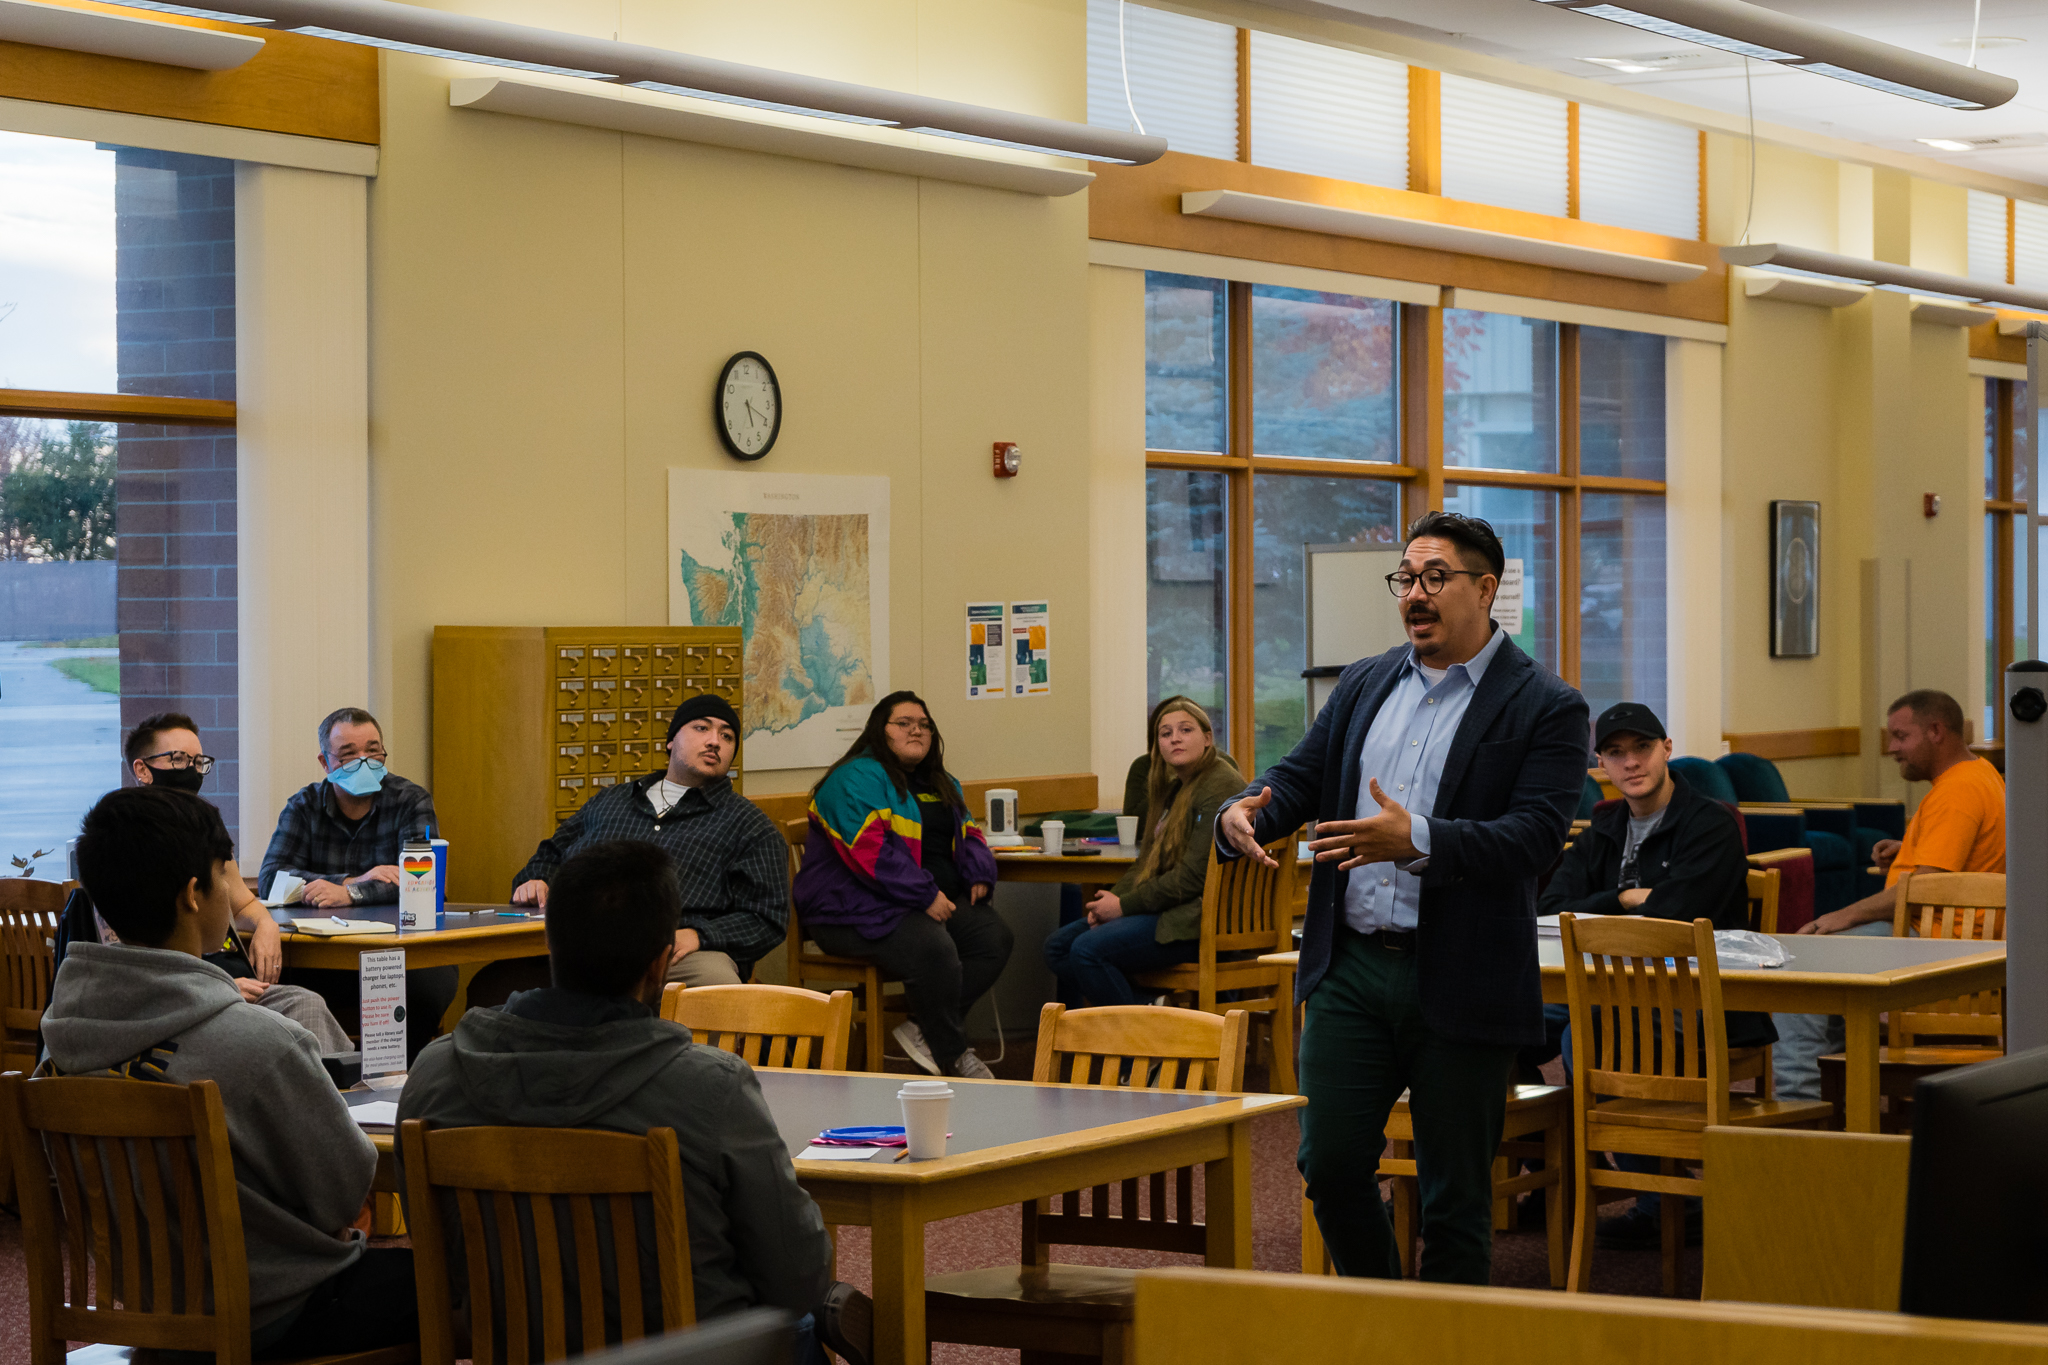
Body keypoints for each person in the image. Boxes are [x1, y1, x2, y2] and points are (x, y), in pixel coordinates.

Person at [1215, 510, 1588, 1285]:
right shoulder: (1366, 679)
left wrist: (1416, 837)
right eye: (1407, 579)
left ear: (1485, 588)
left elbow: (1533, 838)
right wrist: (1245, 807)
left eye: (1435, 578)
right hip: (1351, 968)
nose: (1415, 595)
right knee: (1330, 1164)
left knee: (1456, 1200)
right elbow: (1302, 774)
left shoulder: (1547, 704)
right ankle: (1385, 1313)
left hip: (1463, 973)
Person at [397, 840, 869, 1365]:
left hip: (512, 1346)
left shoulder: (435, 1074)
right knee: (817, 1320)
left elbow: (435, 1251)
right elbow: (797, 1277)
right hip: (691, 1354)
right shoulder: (710, 1089)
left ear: (550, 945)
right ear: (660, 964)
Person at [42, 786, 419, 1356]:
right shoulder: (258, 1043)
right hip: (273, 1313)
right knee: (470, 1283)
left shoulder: (57, 1050)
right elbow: (345, 1193)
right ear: (195, 894)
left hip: (149, 1308)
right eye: (229, 876)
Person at [1537, 701, 1772, 1249]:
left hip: (1697, 1008)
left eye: (1641, 748)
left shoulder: (1710, 823)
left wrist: (1618, 909)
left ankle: (1666, 1198)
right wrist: (1622, 896)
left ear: (1666, 749)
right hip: (1605, 992)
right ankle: (1534, 1183)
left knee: (1585, 1034)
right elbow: (1552, 906)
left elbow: (1679, 914)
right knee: (1499, 1021)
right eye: (1616, 754)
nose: (1631, 763)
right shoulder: (1603, 826)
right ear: (1602, 765)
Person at [1772, 689, 2006, 1101]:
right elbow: (1957, 861)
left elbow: (1923, 890)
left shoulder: (1958, 792)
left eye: (1901, 736)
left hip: (1936, 948)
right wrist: (1908, 850)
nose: (1891, 748)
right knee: (1836, 979)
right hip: (1962, 946)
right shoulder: (1981, 774)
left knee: (1799, 965)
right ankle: (1843, 1100)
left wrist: (1844, 915)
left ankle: (1799, 1108)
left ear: (1936, 731)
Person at [793, 691, 1012, 1080]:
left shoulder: (942, 782)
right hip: (849, 909)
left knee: (992, 937)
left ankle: (922, 1029)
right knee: (933, 947)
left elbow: (970, 833)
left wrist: (980, 871)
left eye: (924, 725)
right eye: (904, 723)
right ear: (881, 730)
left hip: (914, 905)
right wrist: (925, 894)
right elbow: (869, 852)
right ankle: (952, 1054)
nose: (917, 730)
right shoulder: (854, 778)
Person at [509, 694, 786, 986]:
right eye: (701, 728)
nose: (715, 741)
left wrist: (701, 936)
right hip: (583, 945)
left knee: (715, 986)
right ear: (670, 741)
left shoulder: (751, 826)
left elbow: (766, 918)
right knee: (497, 982)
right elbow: (550, 853)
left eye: (727, 736)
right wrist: (536, 879)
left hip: (676, 951)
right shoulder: (612, 801)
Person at [121, 712, 350, 1052]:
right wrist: (218, 987)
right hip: (190, 995)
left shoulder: (206, 827)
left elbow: (242, 902)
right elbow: (143, 962)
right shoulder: (127, 839)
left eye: (199, 761)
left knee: (307, 1003)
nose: (191, 770)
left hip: (234, 982)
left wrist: (266, 926)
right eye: (178, 759)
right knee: (304, 1009)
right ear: (142, 769)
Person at [258, 706, 458, 1063]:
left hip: (400, 952)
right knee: (283, 987)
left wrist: (348, 893)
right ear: (326, 762)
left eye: (373, 750)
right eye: (350, 754)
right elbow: (272, 879)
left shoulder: (410, 800)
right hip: (324, 957)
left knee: (430, 984)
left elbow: (420, 881)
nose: (364, 761)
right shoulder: (303, 807)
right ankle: (328, 1079)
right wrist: (350, 881)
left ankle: (397, 1081)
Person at [1045, 698, 1244, 1007]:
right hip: (1170, 909)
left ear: (1207, 738)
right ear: (1158, 747)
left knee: (1086, 950)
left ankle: (1137, 1048)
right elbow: (1146, 864)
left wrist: (1123, 906)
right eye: (1165, 733)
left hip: (1196, 921)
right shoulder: (1176, 787)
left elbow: (1192, 877)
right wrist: (1106, 905)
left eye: (1185, 730)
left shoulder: (1220, 786)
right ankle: (1151, 1019)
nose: (1175, 738)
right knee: (1058, 947)